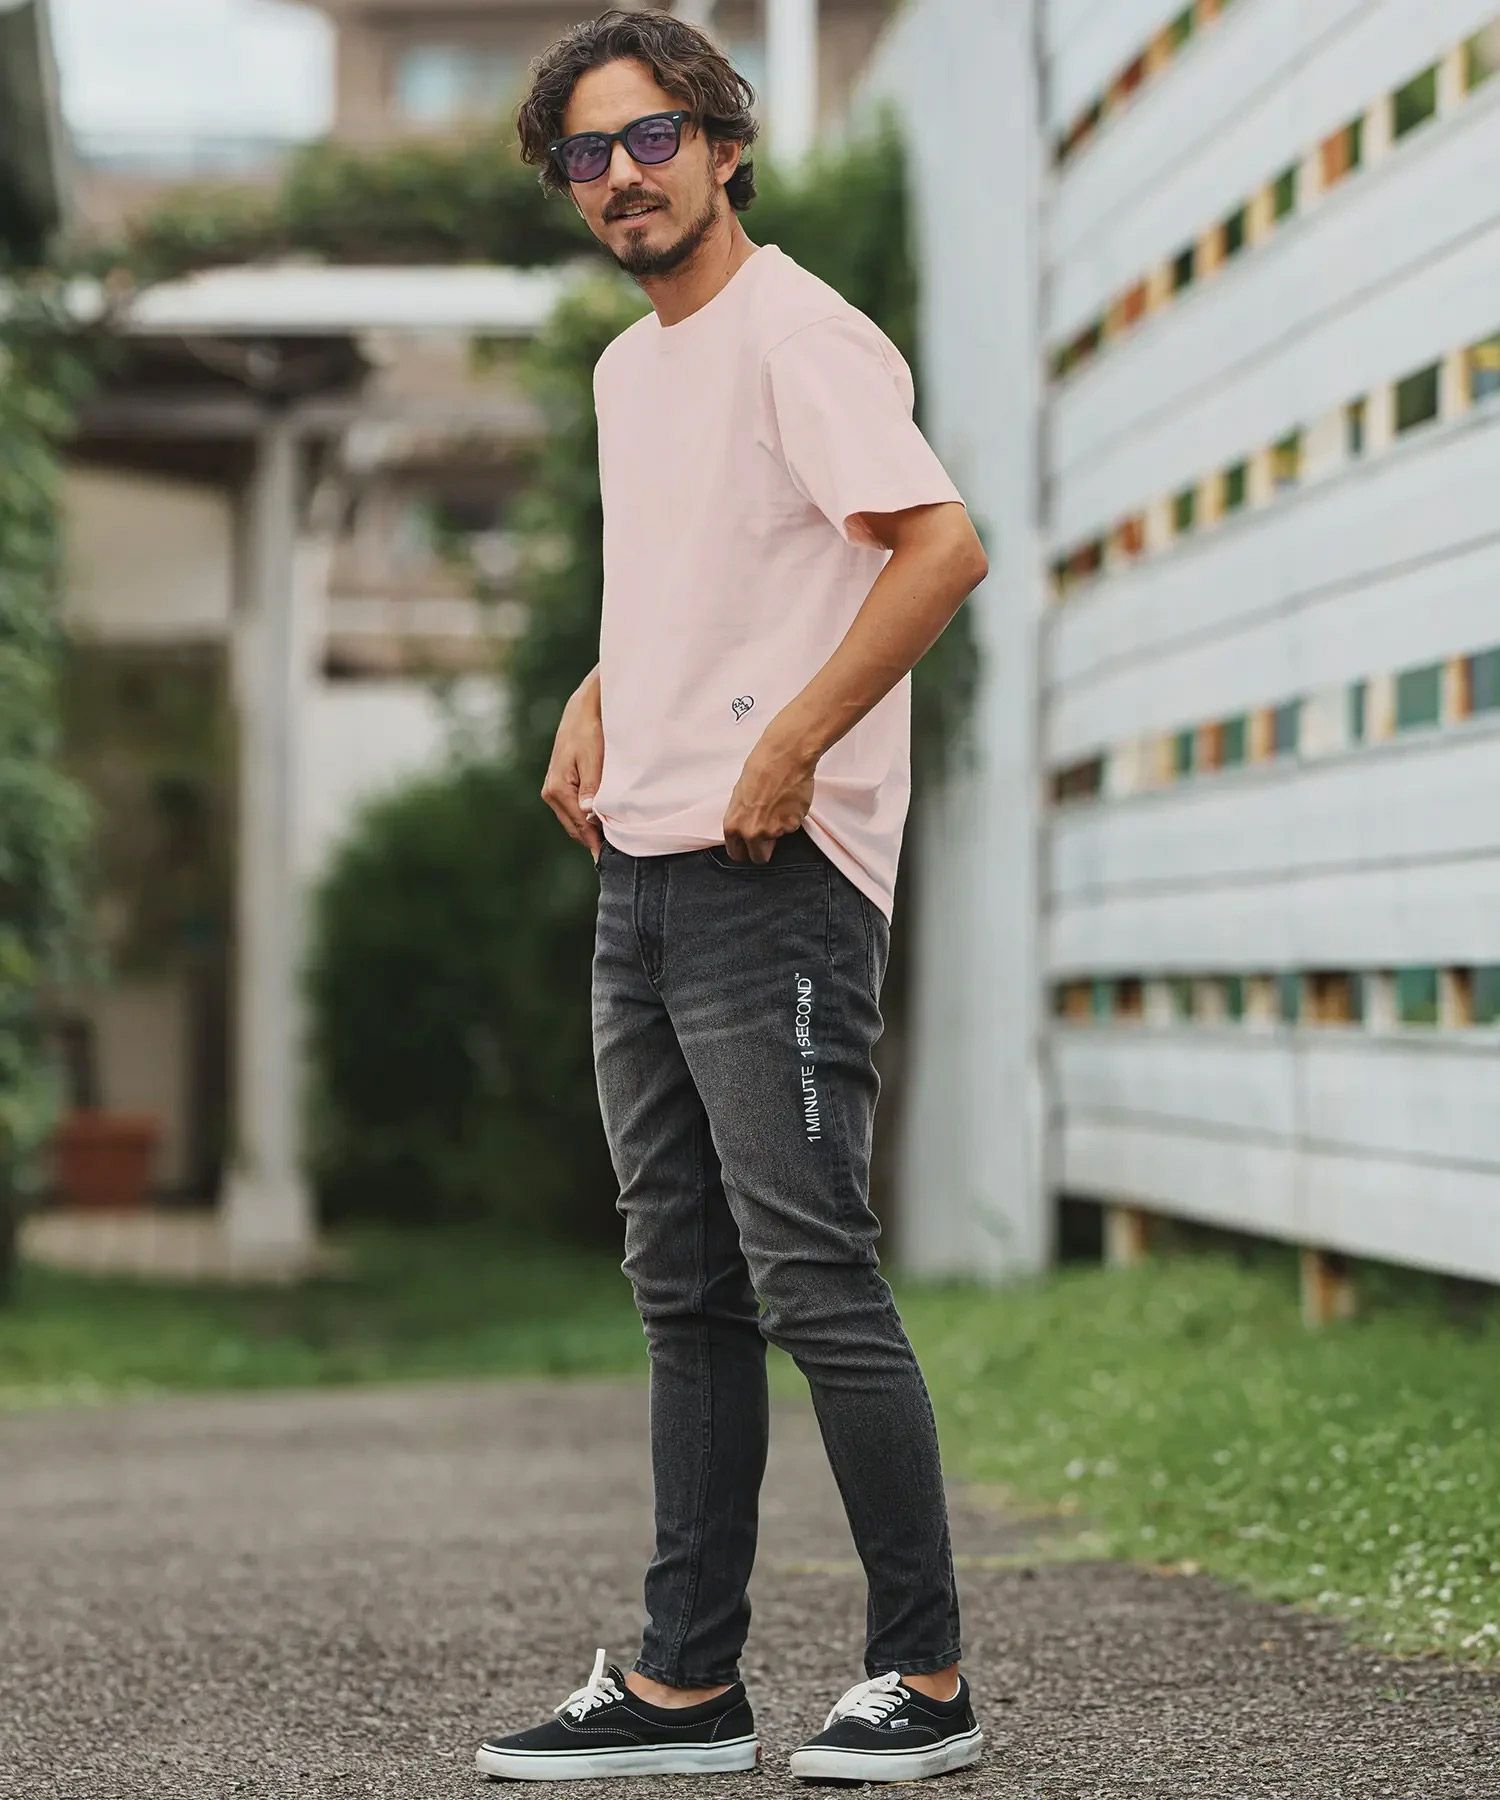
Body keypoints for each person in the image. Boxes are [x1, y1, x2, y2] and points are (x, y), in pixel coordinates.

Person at [477, 8, 988, 1785]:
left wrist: (796, 746)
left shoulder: (800, 331)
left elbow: (940, 549)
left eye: (650, 138)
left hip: (774, 878)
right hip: (641, 869)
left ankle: (924, 1676)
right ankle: (688, 1687)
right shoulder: (634, 373)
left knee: (813, 1277)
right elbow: (704, 580)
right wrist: (599, 689)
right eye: (587, 154)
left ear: (724, 143)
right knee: (684, 1291)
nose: (621, 176)